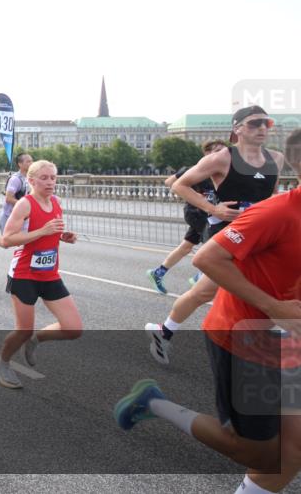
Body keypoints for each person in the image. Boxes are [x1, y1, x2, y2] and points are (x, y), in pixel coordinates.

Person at [116, 127, 301, 494]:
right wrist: (273, 306)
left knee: (293, 450)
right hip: (245, 338)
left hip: (289, 342)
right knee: (258, 452)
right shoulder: (277, 212)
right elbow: (207, 258)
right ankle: (155, 403)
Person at [146, 106, 284, 365]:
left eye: (266, 123)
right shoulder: (222, 158)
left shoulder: (276, 158)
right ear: (237, 128)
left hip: (261, 235)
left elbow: (271, 197)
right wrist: (213, 209)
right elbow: (179, 185)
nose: (262, 128)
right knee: (204, 293)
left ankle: (166, 331)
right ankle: (165, 332)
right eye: (254, 123)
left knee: (269, 287)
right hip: (229, 234)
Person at [0, 160, 81, 389]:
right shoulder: (25, 204)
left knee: (73, 328)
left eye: (53, 177)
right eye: (44, 178)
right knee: (23, 329)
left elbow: (50, 233)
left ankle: (36, 339)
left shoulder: (56, 202)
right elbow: (7, 239)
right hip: (24, 274)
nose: (50, 182)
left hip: (49, 273)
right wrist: (43, 231)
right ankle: (2, 363)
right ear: (31, 181)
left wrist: (62, 236)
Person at [146, 140, 229, 294]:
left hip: (210, 214)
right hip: (197, 213)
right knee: (215, 247)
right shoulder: (195, 169)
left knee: (186, 246)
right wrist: (193, 194)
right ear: (207, 153)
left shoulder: (223, 170)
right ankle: (199, 278)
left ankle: (158, 273)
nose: (222, 154)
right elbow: (170, 182)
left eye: (225, 151)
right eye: (217, 151)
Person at [0, 153, 33, 234]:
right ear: (20, 164)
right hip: (10, 217)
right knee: (9, 240)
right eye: (28, 161)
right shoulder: (15, 179)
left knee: (23, 240)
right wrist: (25, 205)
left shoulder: (30, 178)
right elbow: (9, 198)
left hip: (23, 217)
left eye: (32, 161)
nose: (31, 163)